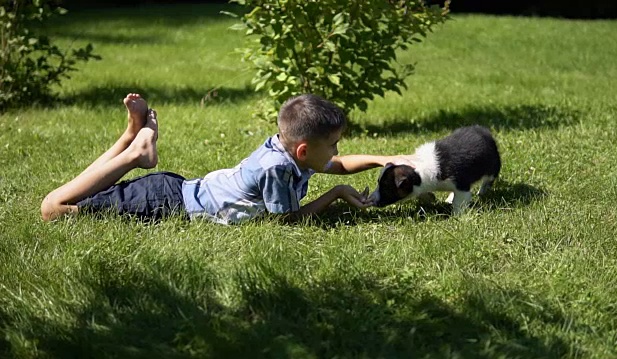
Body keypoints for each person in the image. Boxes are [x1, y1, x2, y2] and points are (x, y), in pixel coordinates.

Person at [41, 93, 413, 224]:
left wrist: (385, 159)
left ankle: (130, 138)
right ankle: (135, 150)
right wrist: (337, 194)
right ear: (304, 150)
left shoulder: (290, 152)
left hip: (173, 190)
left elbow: (338, 164)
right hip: (164, 205)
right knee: (53, 209)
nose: (335, 151)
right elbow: (288, 221)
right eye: (332, 143)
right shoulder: (278, 170)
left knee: (68, 202)